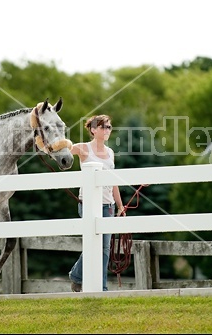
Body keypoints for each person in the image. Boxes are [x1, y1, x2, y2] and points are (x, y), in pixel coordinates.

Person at [68, 114, 124, 292]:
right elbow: (61, 151)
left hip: (108, 206)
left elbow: (113, 182)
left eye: (109, 127)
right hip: (88, 204)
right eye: (103, 127)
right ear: (93, 130)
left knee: (104, 249)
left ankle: (79, 277)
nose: (108, 130)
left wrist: (120, 205)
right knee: (94, 245)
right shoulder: (83, 149)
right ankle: (101, 288)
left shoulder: (110, 153)